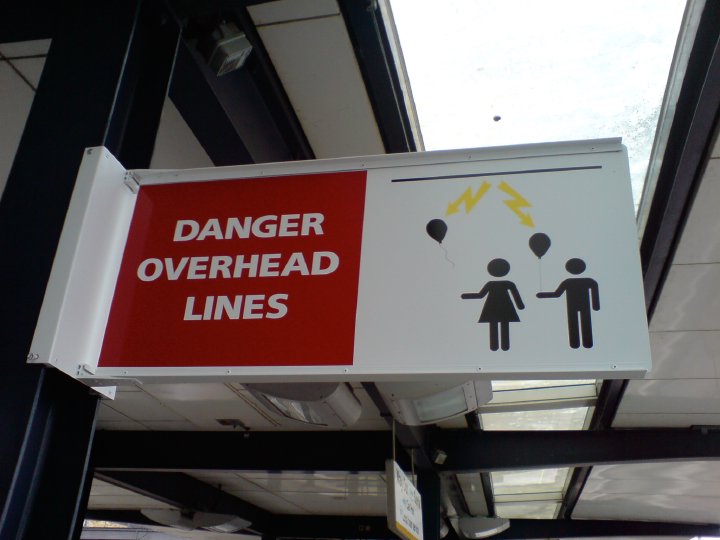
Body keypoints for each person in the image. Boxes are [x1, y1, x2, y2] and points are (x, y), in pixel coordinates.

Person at [461, 258, 524, 351]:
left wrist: (466, 296)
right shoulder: (507, 283)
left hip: (493, 306)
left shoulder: (493, 284)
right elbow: (480, 295)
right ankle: (501, 346)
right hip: (504, 306)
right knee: (502, 323)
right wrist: (520, 305)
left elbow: (480, 295)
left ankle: (498, 346)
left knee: (497, 324)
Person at [536, 258, 599, 348]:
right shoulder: (587, 281)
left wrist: (542, 295)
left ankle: (578, 343)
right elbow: (594, 290)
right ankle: (583, 343)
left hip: (574, 306)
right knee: (582, 322)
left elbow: (556, 294)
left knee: (576, 322)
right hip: (581, 306)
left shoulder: (568, 282)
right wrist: (595, 306)